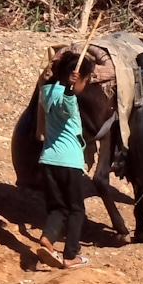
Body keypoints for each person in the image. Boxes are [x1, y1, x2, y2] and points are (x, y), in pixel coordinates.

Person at [35, 54, 94, 270]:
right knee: (76, 210)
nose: (84, 86)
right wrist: (70, 90)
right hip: (69, 162)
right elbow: (66, 106)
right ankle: (70, 256)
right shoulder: (67, 98)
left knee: (57, 208)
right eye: (84, 81)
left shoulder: (46, 91)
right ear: (75, 79)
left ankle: (47, 240)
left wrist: (66, 86)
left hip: (49, 161)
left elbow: (59, 101)